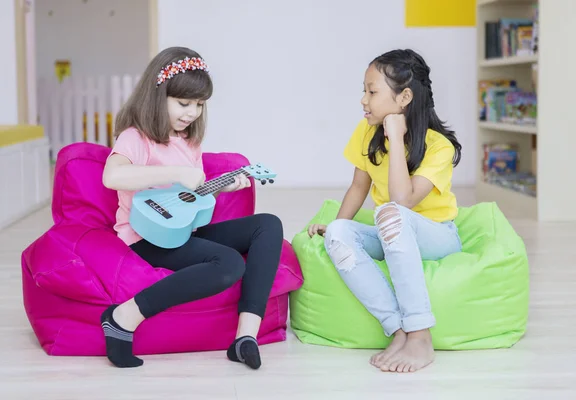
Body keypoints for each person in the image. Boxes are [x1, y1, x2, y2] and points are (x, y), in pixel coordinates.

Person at [101, 46, 283, 370]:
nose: (191, 113)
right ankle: (122, 317)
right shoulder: (136, 137)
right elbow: (112, 175)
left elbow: (185, 193)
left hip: (183, 230)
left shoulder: (189, 141)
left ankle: (245, 337)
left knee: (268, 224)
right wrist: (175, 173)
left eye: (199, 105)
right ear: (158, 96)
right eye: (183, 103)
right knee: (227, 264)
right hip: (146, 236)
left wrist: (220, 185)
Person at [307, 49, 463, 373]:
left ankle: (420, 334)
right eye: (364, 90)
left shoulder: (439, 147)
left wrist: (395, 136)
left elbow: (401, 200)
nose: (363, 100)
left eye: (372, 91)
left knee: (390, 213)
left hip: (436, 235)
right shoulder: (367, 131)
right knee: (337, 235)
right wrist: (339, 225)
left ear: (404, 97)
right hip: (391, 231)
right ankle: (398, 329)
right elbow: (358, 187)